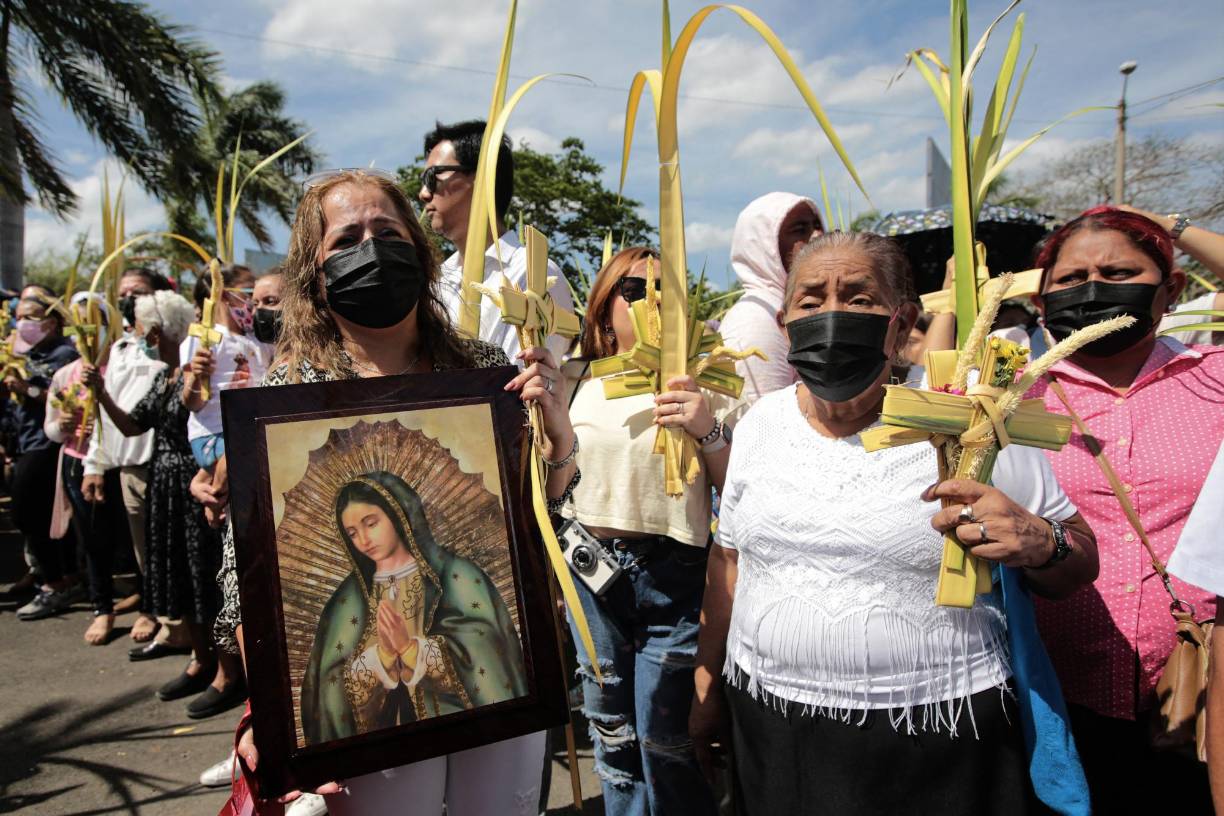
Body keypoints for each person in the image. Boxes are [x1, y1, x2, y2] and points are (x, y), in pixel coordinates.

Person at [690, 231, 1098, 816]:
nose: (832, 316)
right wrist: (707, 683)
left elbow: (1079, 558)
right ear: (784, 324)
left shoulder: (970, 422)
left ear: (902, 318)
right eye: (810, 301)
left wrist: (1040, 542)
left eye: (859, 299)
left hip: (938, 738)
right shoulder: (759, 424)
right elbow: (730, 559)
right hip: (771, 727)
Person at [217, 169, 577, 816]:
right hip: (366, 725)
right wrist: (278, 718)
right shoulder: (280, 402)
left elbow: (533, 519)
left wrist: (558, 440)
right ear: (314, 270)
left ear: (418, 245)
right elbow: (244, 581)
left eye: (387, 231)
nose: (372, 248)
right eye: (347, 237)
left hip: (502, 692)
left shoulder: (483, 374)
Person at [1025, 206, 1223, 813]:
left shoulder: (1214, 379)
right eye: (1069, 279)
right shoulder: (1011, 395)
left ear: (1172, 290)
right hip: (1055, 698)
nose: (1092, 289)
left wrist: (1175, 224)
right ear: (1040, 303)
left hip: (1198, 701)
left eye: (1118, 273)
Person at [555, 245, 739, 815]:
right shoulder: (572, 376)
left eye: (665, 292)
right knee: (611, 732)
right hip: (590, 570)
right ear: (604, 305)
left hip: (675, 575)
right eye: (633, 291)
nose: (648, 303)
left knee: (669, 740)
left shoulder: (707, 373)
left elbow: (738, 490)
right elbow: (552, 482)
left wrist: (706, 428)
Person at [83, 290, 245, 719]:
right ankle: (200, 658)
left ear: (158, 329)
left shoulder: (210, 369)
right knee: (178, 577)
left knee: (207, 582)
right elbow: (135, 425)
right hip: (166, 485)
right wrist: (100, 394)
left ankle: (229, 673)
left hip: (198, 482)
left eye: (143, 327)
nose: (141, 335)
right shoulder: (165, 378)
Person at [301, 471, 528, 743]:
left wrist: (410, 650)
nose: (363, 539)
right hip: (386, 749)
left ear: (398, 515)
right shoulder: (348, 600)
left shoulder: (455, 575)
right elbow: (329, 683)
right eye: (352, 533)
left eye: (371, 523)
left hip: (463, 734)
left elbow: (486, 650)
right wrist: (381, 659)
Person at [418, 119, 574, 363]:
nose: (424, 193)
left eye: (432, 177)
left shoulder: (533, 275)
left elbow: (522, 381)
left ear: (481, 177)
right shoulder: (437, 281)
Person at [81, 268, 180, 648]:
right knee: (144, 550)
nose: (128, 300)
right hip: (129, 466)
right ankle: (153, 608)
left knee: (169, 549)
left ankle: (164, 616)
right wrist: (95, 463)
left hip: (166, 463)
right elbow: (107, 413)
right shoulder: (119, 348)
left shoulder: (171, 345)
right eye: (123, 294)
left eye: (137, 293)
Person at [43, 293, 134, 645]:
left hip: (117, 462)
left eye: (93, 319)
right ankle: (102, 607)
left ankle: (143, 600)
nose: (86, 329)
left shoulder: (120, 366)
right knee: (92, 538)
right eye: (78, 320)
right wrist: (62, 425)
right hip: (76, 462)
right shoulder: (66, 374)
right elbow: (51, 429)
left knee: (129, 536)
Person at [8, 293, 81, 620]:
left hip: (47, 443)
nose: (21, 323)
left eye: (29, 317)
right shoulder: (24, 353)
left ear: (50, 323)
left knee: (27, 513)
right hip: (25, 439)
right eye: (18, 316)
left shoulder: (64, 354)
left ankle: (56, 582)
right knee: (32, 515)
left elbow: (65, 398)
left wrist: (28, 389)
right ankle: (55, 576)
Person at [718, 192, 822, 403]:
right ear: (765, 246)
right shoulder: (756, 319)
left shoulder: (795, 306)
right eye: (800, 230)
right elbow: (759, 420)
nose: (817, 236)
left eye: (817, 225)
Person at [182, 263, 264, 473]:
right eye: (248, 290)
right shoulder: (203, 338)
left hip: (252, 432)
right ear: (225, 295)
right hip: (215, 435)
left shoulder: (258, 340)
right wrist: (197, 377)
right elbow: (192, 403)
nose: (252, 298)